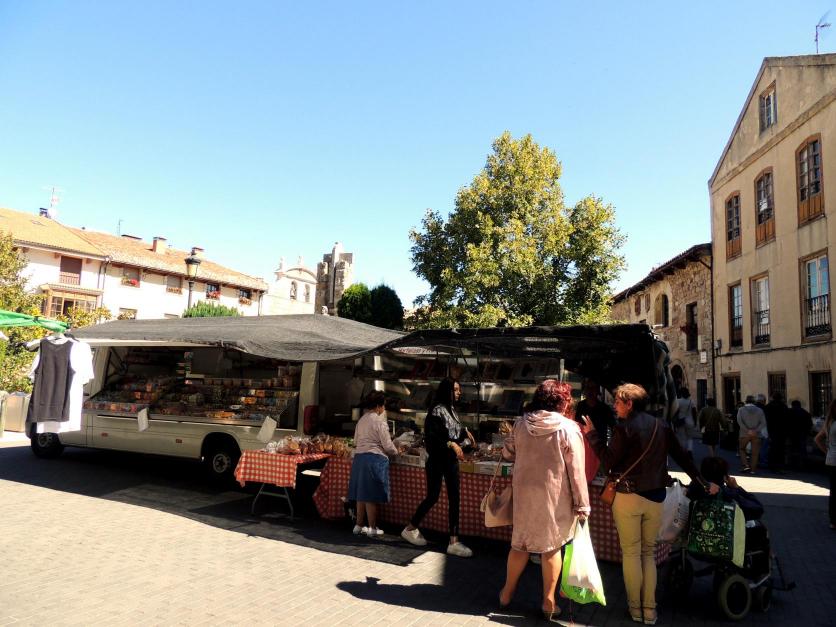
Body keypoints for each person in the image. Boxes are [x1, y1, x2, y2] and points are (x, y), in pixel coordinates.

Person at [582, 383, 718, 626]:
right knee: (648, 553)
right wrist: (702, 482)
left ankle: (635, 608)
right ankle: (650, 609)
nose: (614, 406)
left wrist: (592, 434)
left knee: (631, 553)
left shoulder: (624, 428)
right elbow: (683, 457)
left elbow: (608, 463)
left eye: (618, 402)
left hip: (628, 496)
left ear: (629, 403)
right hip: (656, 496)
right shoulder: (661, 426)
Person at [497, 380, 590, 622]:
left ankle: (506, 593)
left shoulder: (521, 424)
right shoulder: (569, 429)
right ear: (562, 401)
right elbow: (577, 471)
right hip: (554, 496)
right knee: (551, 547)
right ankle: (549, 601)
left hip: (524, 494)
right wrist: (582, 504)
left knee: (520, 544)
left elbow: (507, 452)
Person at [402, 378, 474, 557]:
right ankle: (410, 528)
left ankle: (454, 541)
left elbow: (453, 431)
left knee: (454, 498)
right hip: (437, 460)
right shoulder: (436, 410)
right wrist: (451, 444)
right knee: (433, 496)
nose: (459, 392)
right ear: (447, 391)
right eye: (455, 389)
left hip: (451, 461)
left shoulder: (452, 410)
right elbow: (433, 437)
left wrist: (465, 434)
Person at [347, 390, 400, 537]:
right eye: (383, 405)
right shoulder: (380, 422)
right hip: (373, 460)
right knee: (370, 496)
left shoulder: (361, 420)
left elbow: (356, 441)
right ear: (378, 406)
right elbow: (388, 446)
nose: (384, 408)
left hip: (359, 459)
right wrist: (397, 451)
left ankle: (358, 525)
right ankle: (372, 528)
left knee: (361, 494)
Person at [686, 456, 764, 521]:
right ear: (724, 477)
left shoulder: (694, 487)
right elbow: (758, 508)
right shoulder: (728, 493)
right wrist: (737, 487)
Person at [814, 400, 836, 530]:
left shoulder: (829, 423)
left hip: (831, 460)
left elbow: (817, 439)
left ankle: (833, 520)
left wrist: (827, 452)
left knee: (833, 491)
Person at [737, 395, 766, 474]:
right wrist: (756, 430)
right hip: (756, 434)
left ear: (746, 401)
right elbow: (763, 422)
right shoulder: (760, 410)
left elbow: (739, 421)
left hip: (744, 433)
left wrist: (747, 430)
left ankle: (746, 465)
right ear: (754, 401)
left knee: (742, 449)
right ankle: (753, 470)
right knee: (755, 453)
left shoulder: (741, 409)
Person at [764, 392, 789, 473]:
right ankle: (780, 466)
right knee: (781, 449)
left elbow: (766, 420)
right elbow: (787, 419)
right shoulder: (784, 407)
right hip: (782, 431)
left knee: (772, 448)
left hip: (772, 431)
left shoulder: (768, 407)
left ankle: (772, 465)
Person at [788, 400, 813, 469]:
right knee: (802, 449)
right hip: (802, 433)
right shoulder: (806, 413)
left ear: (792, 405)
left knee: (791, 449)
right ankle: (802, 464)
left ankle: (791, 463)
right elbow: (810, 424)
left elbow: (786, 422)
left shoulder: (789, 412)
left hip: (792, 433)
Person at [673, 387, 697, 454]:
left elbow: (675, 412)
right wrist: (695, 421)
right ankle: (689, 450)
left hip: (681, 421)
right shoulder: (691, 401)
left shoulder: (678, 401)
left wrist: (674, 420)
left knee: (682, 437)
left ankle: (683, 451)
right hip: (690, 421)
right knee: (690, 437)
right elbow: (694, 412)